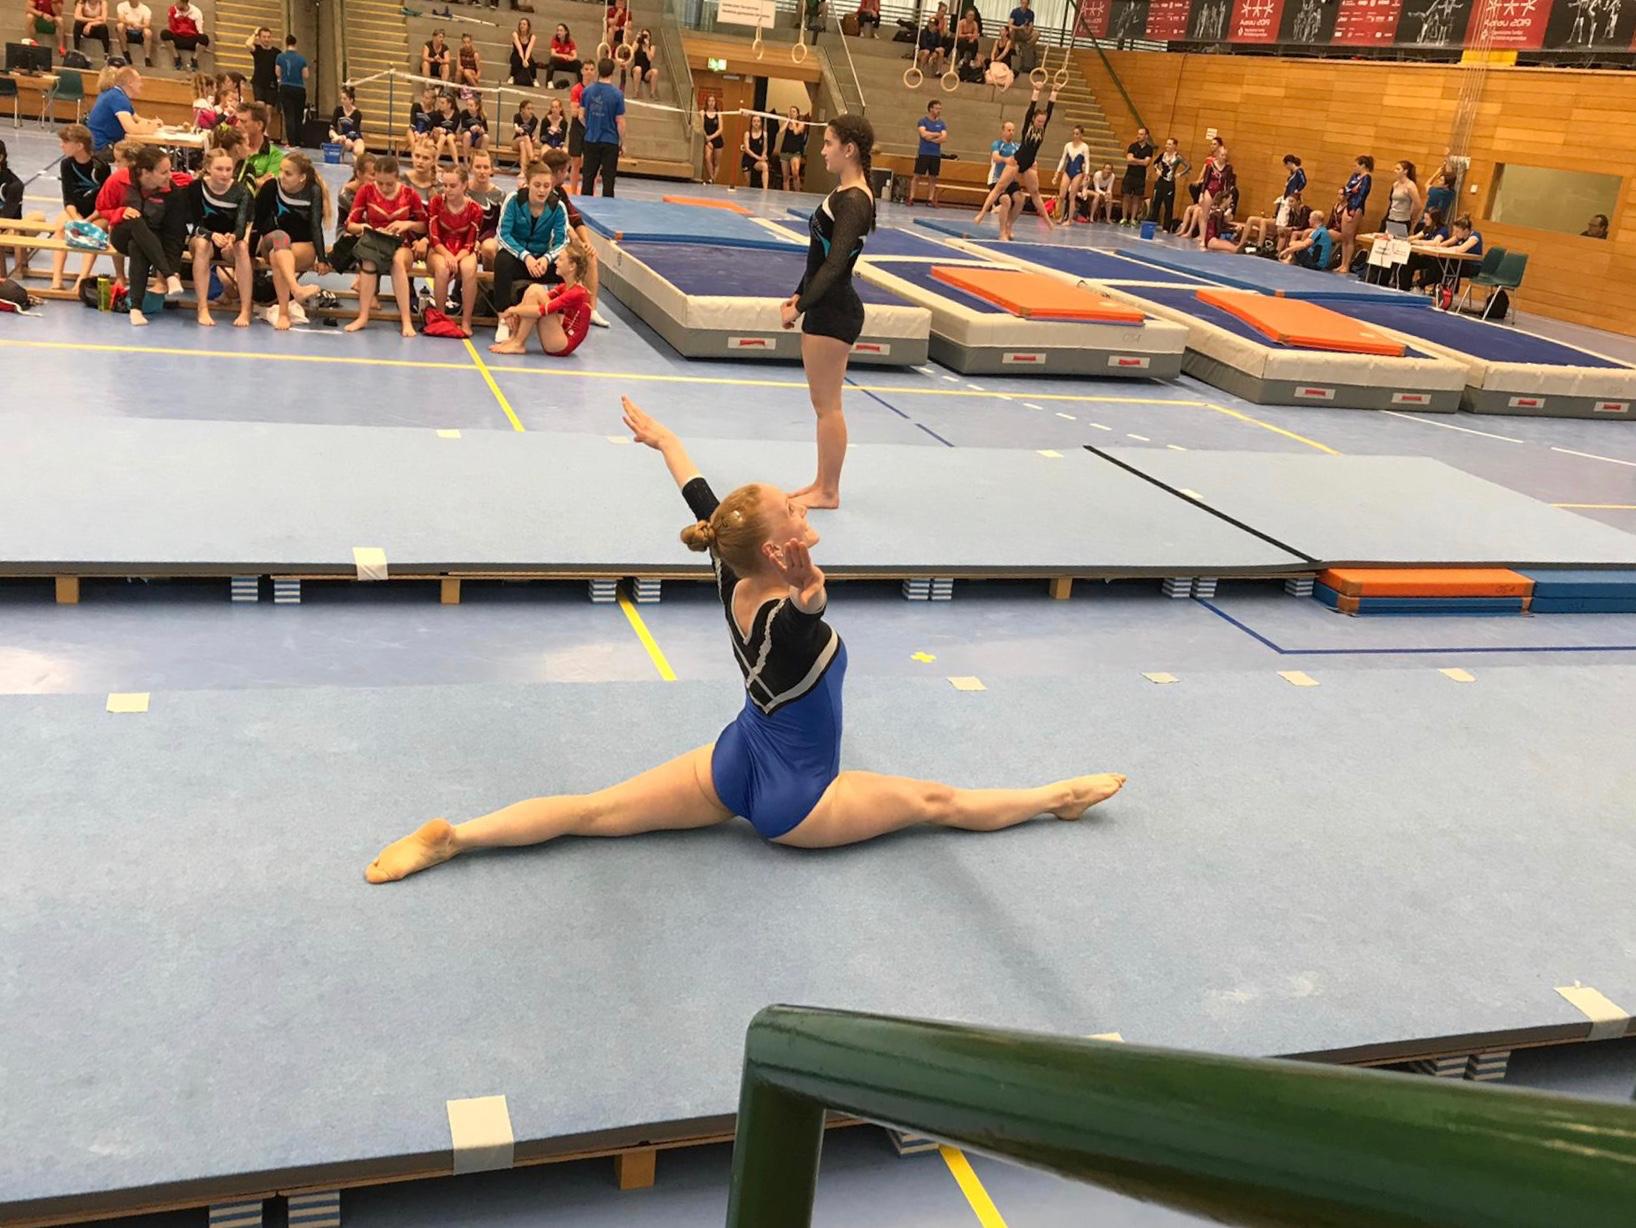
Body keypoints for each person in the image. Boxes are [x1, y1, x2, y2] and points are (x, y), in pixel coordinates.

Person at [362, 398, 1125, 885]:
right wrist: (810, 586)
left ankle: (457, 838)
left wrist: (665, 439)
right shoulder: (786, 616)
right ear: (776, 550)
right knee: (937, 801)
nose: (801, 506)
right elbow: (806, 614)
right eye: (793, 511)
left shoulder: (729, 565)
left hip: (735, 759)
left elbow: (704, 498)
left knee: (594, 811)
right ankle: (1057, 798)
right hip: (800, 800)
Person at [776, 114, 874, 511]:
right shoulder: (844, 192)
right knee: (823, 405)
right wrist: (798, 294)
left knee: (828, 406)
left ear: (849, 149)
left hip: (834, 311)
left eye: (829, 143)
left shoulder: (856, 200)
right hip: (824, 305)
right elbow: (818, 258)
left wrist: (801, 305)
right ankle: (822, 482)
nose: (822, 150)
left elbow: (835, 266)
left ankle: (829, 491)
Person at [96, 143, 186, 327]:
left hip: (153, 241)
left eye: (170, 170)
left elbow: (174, 233)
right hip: (122, 233)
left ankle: (136, 309)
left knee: (137, 246)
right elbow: (102, 208)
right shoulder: (119, 180)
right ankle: (168, 276)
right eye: (164, 172)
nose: (169, 176)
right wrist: (120, 212)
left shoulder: (172, 192)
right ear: (145, 172)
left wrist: (175, 266)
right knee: (135, 219)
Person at [345, 154, 424, 336]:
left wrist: (408, 224)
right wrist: (364, 228)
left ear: (397, 177)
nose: (384, 188)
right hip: (375, 244)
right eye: (380, 183)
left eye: (389, 184)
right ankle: (363, 316)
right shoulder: (366, 191)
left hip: (402, 245)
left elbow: (424, 225)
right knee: (368, 261)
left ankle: (406, 321)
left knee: (397, 262)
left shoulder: (409, 194)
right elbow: (350, 224)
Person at [252, 149, 332, 329]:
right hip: (272, 240)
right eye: (281, 170)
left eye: (288, 173)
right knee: (281, 238)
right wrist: (250, 254)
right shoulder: (271, 187)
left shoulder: (313, 190)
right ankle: (296, 290)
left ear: (302, 177)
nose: (281, 176)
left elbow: (315, 226)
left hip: (300, 246)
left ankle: (283, 313)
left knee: (277, 256)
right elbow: (257, 222)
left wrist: (322, 258)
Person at [492, 160, 568, 338]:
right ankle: (503, 319)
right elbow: (503, 234)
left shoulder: (558, 207)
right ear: (528, 183)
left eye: (546, 186)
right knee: (502, 261)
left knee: (569, 265)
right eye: (537, 185)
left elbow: (562, 241)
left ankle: (561, 319)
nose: (542, 190)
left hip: (542, 261)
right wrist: (525, 256)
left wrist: (546, 258)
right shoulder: (514, 200)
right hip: (518, 258)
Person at [973, 82, 1057, 232]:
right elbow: (1030, 109)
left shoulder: (1043, 128)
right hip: (1016, 161)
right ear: (1034, 119)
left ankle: (1047, 220)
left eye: (1043, 122)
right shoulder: (1028, 127)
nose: (1040, 123)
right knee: (999, 187)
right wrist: (1036, 91)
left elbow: (1049, 110)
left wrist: (1054, 92)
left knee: (1035, 193)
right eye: (1038, 121)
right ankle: (982, 213)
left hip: (1029, 164)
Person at [184, 146, 253, 327]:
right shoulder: (196, 188)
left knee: (242, 247)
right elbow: (195, 225)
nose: (224, 174)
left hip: (228, 242)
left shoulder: (241, 191)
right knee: (202, 244)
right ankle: (202, 308)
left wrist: (233, 237)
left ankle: (245, 310)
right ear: (208, 168)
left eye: (228, 169)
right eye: (219, 169)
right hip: (202, 237)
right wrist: (212, 235)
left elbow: (241, 225)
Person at [489, 239, 593, 357]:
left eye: (560, 259)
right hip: (559, 335)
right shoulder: (565, 287)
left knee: (536, 290)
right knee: (533, 291)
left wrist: (513, 310)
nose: (556, 262)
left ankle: (518, 343)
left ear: (572, 266)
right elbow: (537, 299)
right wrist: (515, 310)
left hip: (562, 344)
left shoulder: (577, 293)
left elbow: (542, 310)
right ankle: (514, 340)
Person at [541, 146, 607, 328]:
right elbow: (562, 222)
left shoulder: (560, 192)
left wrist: (587, 243)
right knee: (577, 254)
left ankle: (591, 309)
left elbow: (575, 218)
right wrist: (573, 236)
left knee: (590, 256)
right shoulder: (540, 191)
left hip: (560, 243)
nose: (568, 174)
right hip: (543, 243)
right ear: (559, 172)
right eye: (567, 171)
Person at [48, 124, 109, 290]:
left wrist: (88, 220)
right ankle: (56, 279)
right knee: (61, 228)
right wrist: (76, 218)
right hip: (75, 211)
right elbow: (68, 197)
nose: (61, 145)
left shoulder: (101, 166)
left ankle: (82, 279)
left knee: (93, 233)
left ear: (80, 145)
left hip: (98, 213)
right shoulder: (66, 164)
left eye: (65, 142)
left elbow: (104, 200)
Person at [427, 164, 484, 336]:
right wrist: (447, 255)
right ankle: (441, 317)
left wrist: (456, 258)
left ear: (464, 185)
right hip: (439, 249)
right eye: (445, 185)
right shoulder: (436, 202)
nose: (447, 190)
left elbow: (470, 243)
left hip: (464, 251)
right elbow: (434, 237)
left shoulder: (475, 209)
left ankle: (466, 321)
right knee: (443, 268)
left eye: (453, 186)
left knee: (469, 268)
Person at [86, 66, 160, 155]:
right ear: (130, 83)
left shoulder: (116, 94)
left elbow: (137, 120)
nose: (141, 84)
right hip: (103, 147)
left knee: (149, 150)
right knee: (148, 154)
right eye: (139, 81)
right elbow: (131, 129)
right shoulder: (117, 98)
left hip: (99, 144)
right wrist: (150, 128)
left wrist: (152, 123)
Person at [579, 57, 625, 197]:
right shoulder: (617, 94)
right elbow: (620, 121)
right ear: (612, 72)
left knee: (588, 178)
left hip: (591, 138)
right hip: (610, 140)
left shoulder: (587, 91)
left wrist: (590, 126)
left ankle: (584, 207)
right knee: (608, 180)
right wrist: (622, 142)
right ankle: (608, 207)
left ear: (598, 70)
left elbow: (581, 115)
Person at [469, 148, 505, 275]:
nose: (482, 171)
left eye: (486, 167)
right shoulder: (463, 191)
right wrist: (471, 241)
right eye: (478, 167)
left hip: (490, 237)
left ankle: (487, 284)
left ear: (491, 170)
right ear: (471, 168)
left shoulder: (499, 195)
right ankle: (459, 285)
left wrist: (480, 241)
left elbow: (499, 226)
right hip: (465, 236)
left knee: (488, 248)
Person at [234, 101, 283, 189]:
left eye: (243, 121)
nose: (237, 125)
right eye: (236, 120)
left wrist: (241, 181)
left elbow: (269, 187)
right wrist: (256, 181)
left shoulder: (275, 156)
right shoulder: (230, 148)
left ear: (259, 125)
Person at [1337, 154, 1372, 275]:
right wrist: (1350, 192)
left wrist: (1354, 208)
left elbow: (1362, 194)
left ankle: (1347, 264)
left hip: (1357, 208)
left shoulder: (1366, 178)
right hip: (1348, 205)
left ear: (1363, 165)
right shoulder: (1354, 176)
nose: (1355, 167)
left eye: (1357, 165)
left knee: (1350, 237)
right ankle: (1342, 263)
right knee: (1344, 236)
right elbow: (1347, 189)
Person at [910, 100, 946, 208]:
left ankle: (930, 199)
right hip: (923, 153)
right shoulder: (923, 121)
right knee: (917, 176)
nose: (938, 110)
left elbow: (943, 138)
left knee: (933, 178)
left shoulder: (942, 123)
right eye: (936, 108)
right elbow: (923, 134)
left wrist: (931, 138)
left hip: (935, 154)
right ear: (931, 109)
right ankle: (911, 197)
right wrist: (936, 134)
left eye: (940, 108)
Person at [275, 34, 309, 147]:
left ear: (286, 43)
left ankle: (291, 142)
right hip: (299, 88)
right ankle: (298, 141)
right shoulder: (301, 59)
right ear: (295, 44)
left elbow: (277, 72)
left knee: (289, 115)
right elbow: (306, 75)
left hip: (286, 87)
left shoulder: (280, 57)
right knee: (298, 116)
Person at [1149, 136, 1187, 231]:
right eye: (1167, 144)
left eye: (1169, 144)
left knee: (1168, 205)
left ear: (1174, 146)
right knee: (1156, 202)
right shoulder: (1163, 155)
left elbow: (1188, 166)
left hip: (1169, 183)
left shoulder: (1177, 157)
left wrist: (1179, 174)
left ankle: (1166, 227)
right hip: (1160, 181)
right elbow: (1155, 163)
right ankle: (1152, 223)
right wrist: (1157, 170)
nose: (1167, 146)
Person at [1052, 128, 1089, 226]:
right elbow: (1063, 159)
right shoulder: (1068, 145)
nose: (1075, 136)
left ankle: (1069, 219)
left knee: (1071, 197)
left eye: (1077, 134)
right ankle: (1059, 216)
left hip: (1078, 172)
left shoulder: (1084, 147)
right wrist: (1057, 172)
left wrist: (1086, 174)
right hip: (1068, 171)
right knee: (1061, 196)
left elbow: (1087, 161)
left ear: (1081, 135)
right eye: (1074, 133)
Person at [568, 60, 594, 191]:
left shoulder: (596, 90)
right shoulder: (576, 89)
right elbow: (574, 112)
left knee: (592, 163)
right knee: (576, 161)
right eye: (586, 69)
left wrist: (582, 109)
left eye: (591, 69)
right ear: (582, 71)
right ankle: (573, 191)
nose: (589, 72)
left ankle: (590, 192)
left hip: (592, 127)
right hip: (577, 128)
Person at [160, 0, 207, 70]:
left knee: (204, 38)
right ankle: (176, 57)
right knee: (164, 33)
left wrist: (186, 18)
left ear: (184, 3)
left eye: (178, 2)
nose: (176, 4)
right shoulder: (173, 10)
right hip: (178, 37)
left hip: (191, 39)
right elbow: (171, 28)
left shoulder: (196, 12)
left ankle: (194, 59)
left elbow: (199, 31)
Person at [1120, 125, 1152, 226]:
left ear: (1146, 136)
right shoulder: (1132, 146)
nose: (1138, 136)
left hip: (1140, 176)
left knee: (1136, 198)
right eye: (1138, 134)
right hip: (1130, 175)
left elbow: (1146, 163)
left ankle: (1133, 219)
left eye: (1141, 134)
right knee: (1126, 196)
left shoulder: (1149, 149)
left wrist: (1135, 160)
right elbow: (1129, 160)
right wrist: (1140, 161)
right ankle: (1124, 218)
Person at [1381, 159, 1421, 240]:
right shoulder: (1395, 184)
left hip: (1402, 220)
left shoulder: (1410, 186)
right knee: (1387, 241)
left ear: (1405, 171)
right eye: (1395, 168)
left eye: (1398, 169)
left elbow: (1418, 205)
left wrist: (1412, 217)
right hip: (1391, 217)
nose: (1395, 171)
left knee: (1397, 243)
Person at [330, 86, 365, 161]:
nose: (342, 101)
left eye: (345, 99)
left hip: (355, 136)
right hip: (341, 137)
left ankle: (356, 160)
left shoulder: (357, 114)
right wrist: (335, 136)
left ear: (351, 100)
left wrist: (341, 137)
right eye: (341, 98)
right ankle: (341, 152)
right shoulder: (338, 110)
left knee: (358, 151)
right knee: (348, 143)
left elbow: (354, 132)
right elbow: (332, 127)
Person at [780, 108, 809, 195]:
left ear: (797, 114)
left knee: (795, 173)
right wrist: (787, 121)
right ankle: (786, 195)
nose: (791, 113)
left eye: (793, 111)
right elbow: (781, 131)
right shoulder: (787, 123)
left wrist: (793, 122)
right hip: (785, 151)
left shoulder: (801, 123)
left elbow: (796, 132)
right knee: (785, 176)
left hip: (795, 152)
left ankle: (797, 194)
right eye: (790, 111)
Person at [116, 0, 153, 66]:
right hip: (127, 32)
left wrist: (140, 26)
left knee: (148, 32)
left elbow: (147, 24)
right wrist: (131, 23)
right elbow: (120, 18)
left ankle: (147, 58)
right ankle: (125, 53)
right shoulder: (122, 6)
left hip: (139, 34)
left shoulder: (145, 9)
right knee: (120, 26)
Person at [1007, 0, 1038, 74]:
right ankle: (1014, 46)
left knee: (1037, 34)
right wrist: (1019, 28)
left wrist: (1028, 29)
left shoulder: (1031, 13)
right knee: (1011, 30)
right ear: (1020, 2)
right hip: (1017, 31)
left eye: (1026, 3)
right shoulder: (1015, 11)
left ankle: (1026, 46)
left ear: (1028, 4)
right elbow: (1010, 24)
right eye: (1023, 3)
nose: (1024, 5)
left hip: (1025, 32)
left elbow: (1031, 25)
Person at [457, 91, 489, 163]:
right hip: (466, 137)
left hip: (477, 138)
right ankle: (465, 160)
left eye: (471, 105)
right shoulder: (464, 113)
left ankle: (482, 160)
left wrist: (480, 130)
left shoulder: (482, 115)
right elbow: (463, 128)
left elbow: (486, 131)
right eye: (467, 105)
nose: (469, 107)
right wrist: (471, 129)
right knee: (467, 134)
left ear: (477, 107)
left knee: (486, 137)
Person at [740, 114, 771, 190]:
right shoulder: (747, 134)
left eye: (758, 121)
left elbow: (765, 147)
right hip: (748, 159)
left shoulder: (764, 134)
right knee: (747, 182)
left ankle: (765, 190)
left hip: (757, 161)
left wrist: (763, 155)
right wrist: (758, 157)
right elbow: (747, 149)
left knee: (765, 166)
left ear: (761, 123)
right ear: (751, 123)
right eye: (754, 121)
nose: (756, 123)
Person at [627, 29, 659, 100]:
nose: (644, 37)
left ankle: (652, 93)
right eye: (643, 35)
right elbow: (631, 53)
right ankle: (636, 92)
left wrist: (646, 47)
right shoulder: (637, 43)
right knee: (638, 69)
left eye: (646, 35)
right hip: (636, 68)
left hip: (646, 71)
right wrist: (636, 40)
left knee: (655, 71)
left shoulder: (652, 46)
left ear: (649, 37)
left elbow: (650, 59)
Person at [701, 94, 725, 185]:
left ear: (715, 103)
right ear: (707, 102)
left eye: (713, 101)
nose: (711, 103)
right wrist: (707, 139)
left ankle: (713, 180)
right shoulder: (703, 113)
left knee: (717, 162)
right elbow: (702, 127)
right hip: (707, 139)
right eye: (709, 101)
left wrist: (711, 137)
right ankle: (712, 177)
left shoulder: (718, 114)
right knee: (707, 157)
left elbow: (720, 129)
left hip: (717, 139)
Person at [509, 18, 538, 87]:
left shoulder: (532, 37)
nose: (522, 26)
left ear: (528, 26)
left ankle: (534, 79)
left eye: (524, 24)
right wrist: (523, 59)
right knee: (516, 59)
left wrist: (526, 60)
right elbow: (519, 48)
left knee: (531, 62)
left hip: (527, 55)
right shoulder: (515, 34)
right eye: (520, 24)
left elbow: (529, 49)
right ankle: (512, 76)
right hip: (516, 54)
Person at [513, 98, 540, 171]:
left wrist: (533, 137)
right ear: (522, 109)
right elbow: (516, 127)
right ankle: (532, 157)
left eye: (531, 109)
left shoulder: (534, 120)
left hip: (527, 142)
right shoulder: (517, 116)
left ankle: (523, 170)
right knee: (525, 138)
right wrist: (517, 129)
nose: (530, 111)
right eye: (528, 108)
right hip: (516, 141)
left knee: (523, 144)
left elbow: (530, 132)